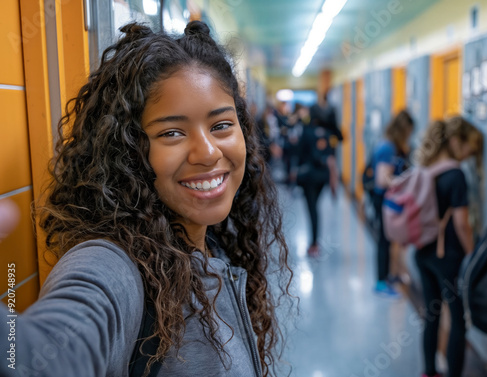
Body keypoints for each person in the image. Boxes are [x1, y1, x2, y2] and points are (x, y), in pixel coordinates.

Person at [0, 21, 293, 377]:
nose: (208, 152)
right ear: (129, 153)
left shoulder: (215, 244)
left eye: (220, 125)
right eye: (172, 132)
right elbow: (38, 359)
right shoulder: (113, 264)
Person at [415, 117, 482, 377]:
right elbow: (462, 224)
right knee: (458, 320)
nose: (470, 156)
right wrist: (473, 255)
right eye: (470, 149)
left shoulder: (427, 168)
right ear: (456, 142)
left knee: (431, 316)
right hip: (449, 256)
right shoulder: (456, 175)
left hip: (423, 252)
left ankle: (429, 371)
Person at [372, 110, 414, 296]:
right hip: (382, 198)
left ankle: (390, 275)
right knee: (384, 239)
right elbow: (382, 179)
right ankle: (381, 281)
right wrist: (403, 181)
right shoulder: (387, 148)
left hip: (388, 199)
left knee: (390, 238)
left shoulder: (395, 147)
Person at [295, 98, 340, 257]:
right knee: (316, 208)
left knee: (312, 209)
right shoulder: (327, 133)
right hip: (323, 177)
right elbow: (336, 145)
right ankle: (315, 242)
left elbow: (299, 153)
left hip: (309, 177)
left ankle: (313, 243)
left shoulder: (306, 131)